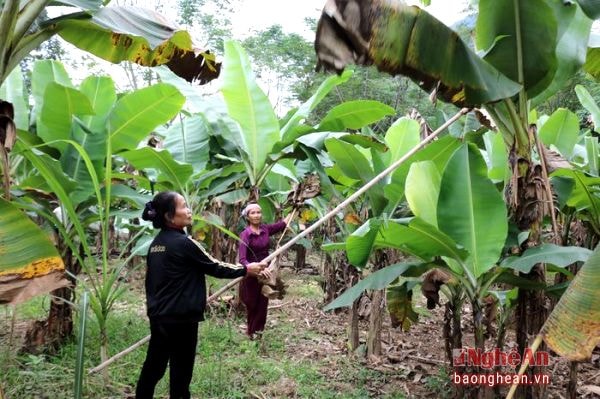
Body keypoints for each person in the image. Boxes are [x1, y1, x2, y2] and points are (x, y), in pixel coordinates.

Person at [135, 191, 267, 399]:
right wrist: (246, 270)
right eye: (183, 206)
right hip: (181, 319)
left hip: (159, 315)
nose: (189, 210)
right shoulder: (184, 243)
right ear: (170, 216)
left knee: (154, 366)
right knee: (181, 371)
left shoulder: (156, 245)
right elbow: (215, 267)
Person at [238, 202, 290, 338]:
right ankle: (251, 332)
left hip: (266, 273)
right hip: (252, 274)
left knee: (263, 304)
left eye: (258, 212)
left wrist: (296, 206)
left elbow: (282, 224)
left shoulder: (265, 229)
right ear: (248, 217)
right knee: (252, 304)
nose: (256, 215)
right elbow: (242, 260)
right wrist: (255, 269)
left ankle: (259, 333)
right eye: (253, 213)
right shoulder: (246, 235)